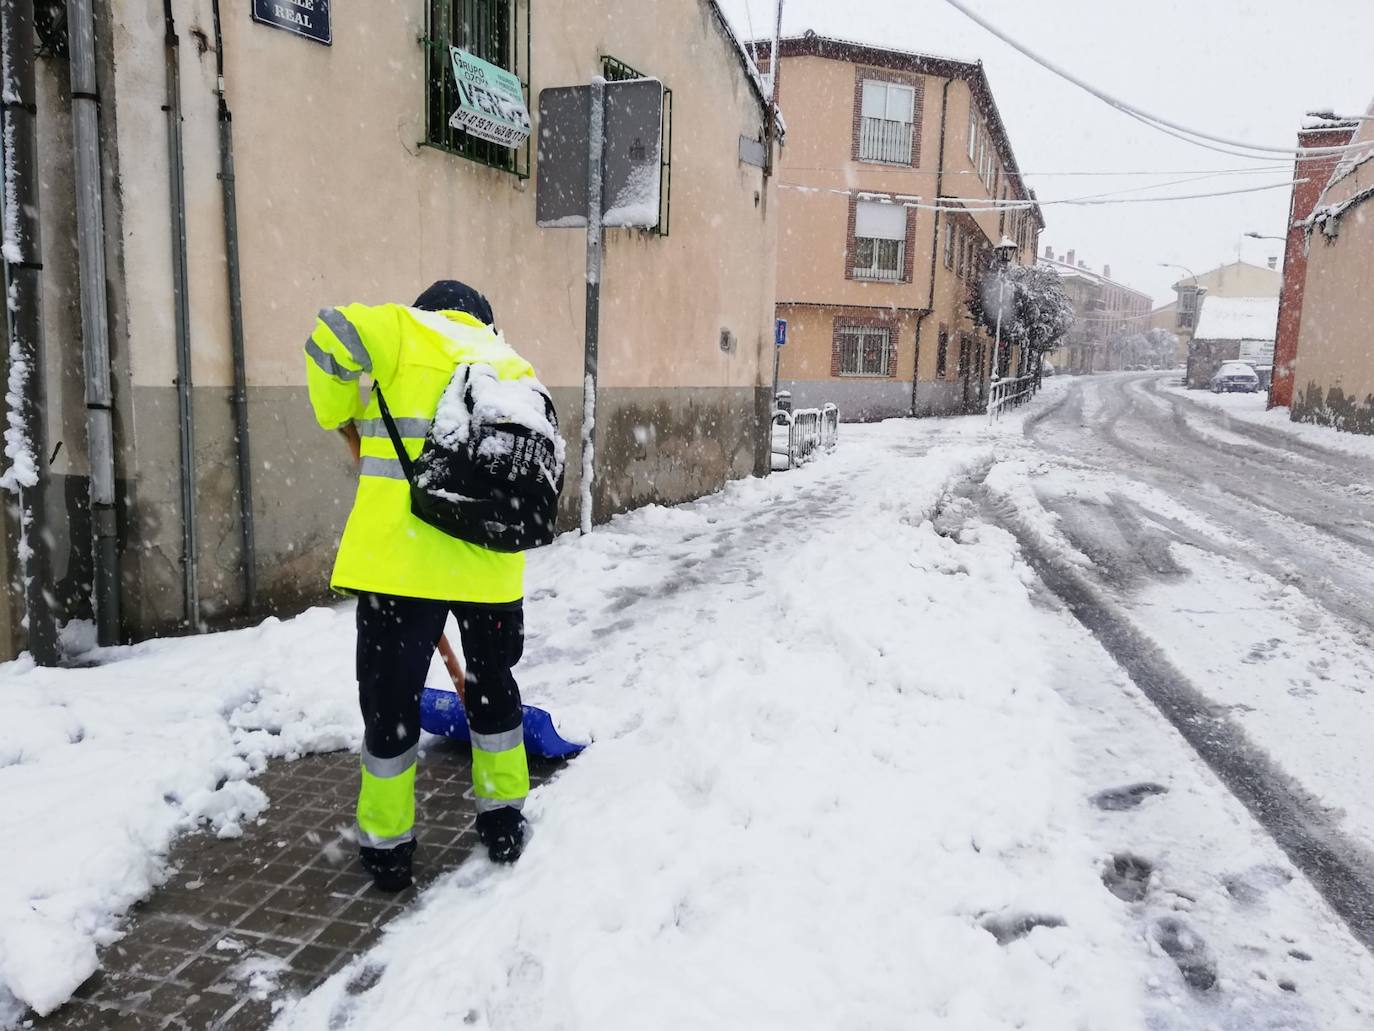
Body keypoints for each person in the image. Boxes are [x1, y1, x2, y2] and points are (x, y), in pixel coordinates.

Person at [304, 280, 536, 892]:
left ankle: (388, 846)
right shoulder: (508, 362)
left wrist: (334, 408)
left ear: (427, 308)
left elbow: (332, 332)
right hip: (490, 568)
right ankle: (504, 816)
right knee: (493, 689)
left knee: (392, 705)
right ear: (483, 319)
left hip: (401, 568)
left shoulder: (403, 331)